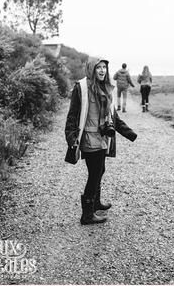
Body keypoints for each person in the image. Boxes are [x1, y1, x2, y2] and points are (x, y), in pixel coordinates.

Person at [65, 58, 137, 225]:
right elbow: (72, 115)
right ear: (91, 69)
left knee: (100, 169)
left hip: (102, 138)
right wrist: (71, 138)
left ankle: (96, 203)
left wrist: (130, 134)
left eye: (104, 67)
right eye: (98, 67)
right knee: (95, 173)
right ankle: (87, 215)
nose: (102, 70)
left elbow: (114, 117)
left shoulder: (106, 88)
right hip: (89, 138)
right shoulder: (81, 88)